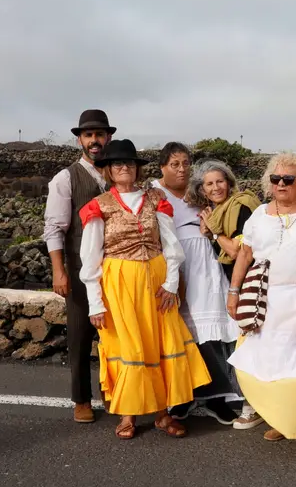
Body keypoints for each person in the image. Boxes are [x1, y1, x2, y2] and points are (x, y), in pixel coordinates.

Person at [77, 139, 212, 440]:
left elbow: (172, 245)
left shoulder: (155, 199)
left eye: (129, 163)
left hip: (157, 279)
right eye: (117, 164)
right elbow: (90, 257)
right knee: (130, 346)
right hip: (119, 283)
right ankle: (129, 415)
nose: (124, 167)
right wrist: (95, 303)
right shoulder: (99, 206)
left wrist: (171, 284)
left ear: (137, 168)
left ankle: (163, 414)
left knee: (160, 344)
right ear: (109, 171)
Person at [226, 153, 296, 443]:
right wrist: (234, 292)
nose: (281, 184)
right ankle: (281, 419)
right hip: (269, 300)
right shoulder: (259, 215)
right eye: (275, 179)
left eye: (288, 179)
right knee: (272, 362)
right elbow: (245, 254)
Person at [150, 144, 240, 425]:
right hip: (175, 262)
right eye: (174, 164)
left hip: (206, 261)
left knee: (210, 331)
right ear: (162, 166)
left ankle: (218, 396)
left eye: (186, 163)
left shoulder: (198, 191)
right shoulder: (153, 193)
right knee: (181, 331)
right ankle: (182, 396)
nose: (181, 169)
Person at [42, 109, 114, 424]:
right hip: (80, 270)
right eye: (89, 135)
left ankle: (114, 393)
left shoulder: (118, 175)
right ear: (80, 139)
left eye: (100, 134)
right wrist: (59, 271)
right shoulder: (66, 178)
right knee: (81, 336)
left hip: (117, 270)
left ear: (108, 137)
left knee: (115, 336)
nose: (95, 140)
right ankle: (82, 399)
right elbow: (54, 229)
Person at [190, 159, 263, 430]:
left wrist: (214, 232)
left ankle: (252, 406)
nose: (216, 187)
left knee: (249, 343)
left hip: (249, 282)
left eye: (220, 181)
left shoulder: (241, 207)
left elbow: (236, 251)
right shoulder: (219, 212)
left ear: (230, 183)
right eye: (209, 184)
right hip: (236, 282)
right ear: (203, 190)